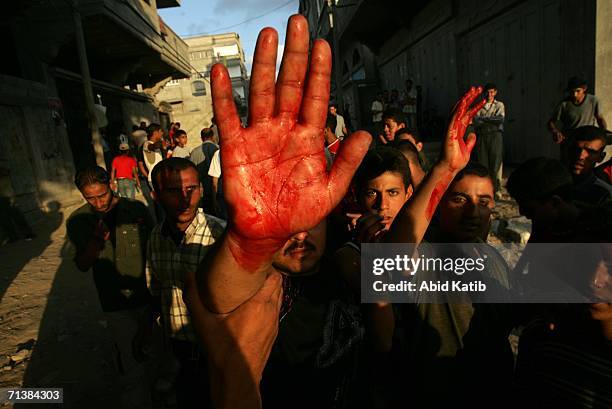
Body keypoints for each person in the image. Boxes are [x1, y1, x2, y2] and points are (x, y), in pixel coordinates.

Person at [194, 13, 488, 407]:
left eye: (308, 220)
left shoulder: (345, 265)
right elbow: (219, 294)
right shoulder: (261, 290)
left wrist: (446, 169)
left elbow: (397, 259)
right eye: (286, 227)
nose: (298, 234)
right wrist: (251, 243)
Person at [66, 166, 154, 409]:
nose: (98, 202)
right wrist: (96, 240)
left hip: (149, 296)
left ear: (112, 186)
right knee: (130, 359)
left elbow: (157, 246)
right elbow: (83, 265)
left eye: (102, 195)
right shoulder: (79, 220)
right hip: (114, 302)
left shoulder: (136, 209)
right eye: (90, 198)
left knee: (158, 354)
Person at [145, 158, 225, 409]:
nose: (185, 198)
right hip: (177, 349)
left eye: (192, 189)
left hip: (217, 349)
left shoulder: (220, 235)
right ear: (155, 195)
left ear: (201, 190)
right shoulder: (156, 237)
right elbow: (156, 289)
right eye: (173, 190)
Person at [548, 76, 607, 162]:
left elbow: (600, 119)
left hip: (586, 141)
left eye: (577, 91)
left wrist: (603, 133)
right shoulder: (564, 104)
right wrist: (555, 131)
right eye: (572, 92)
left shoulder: (593, 101)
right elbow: (551, 122)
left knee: (583, 164)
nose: (575, 94)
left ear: (584, 89)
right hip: (569, 141)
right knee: (567, 164)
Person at [564, 125, 612, 204]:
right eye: (576, 148)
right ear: (567, 150)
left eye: (590, 151)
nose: (580, 156)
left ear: (601, 157)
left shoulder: (607, 197)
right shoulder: (546, 179)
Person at [473, 83, 505, 195]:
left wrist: (484, 119)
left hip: (495, 135)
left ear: (495, 92)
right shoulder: (479, 106)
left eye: (492, 92)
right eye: (487, 92)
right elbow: (476, 122)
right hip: (482, 136)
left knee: (496, 163)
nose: (489, 94)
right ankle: (486, 189)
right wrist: (490, 119)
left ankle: (497, 189)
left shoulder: (499, 105)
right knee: (483, 164)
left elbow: (500, 119)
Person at [0, 165, 35, 243]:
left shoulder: (5, 178)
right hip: (6, 199)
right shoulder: (5, 177)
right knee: (10, 219)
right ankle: (21, 235)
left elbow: (7, 189)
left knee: (14, 218)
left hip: (7, 199)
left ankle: (22, 235)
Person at [189, 127, 219, 215]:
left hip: (203, 191)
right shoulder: (218, 150)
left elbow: (192, 173)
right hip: (218, 190)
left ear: (201, 138)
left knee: (208, 216)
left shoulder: (194, 152)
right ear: (212, 137)